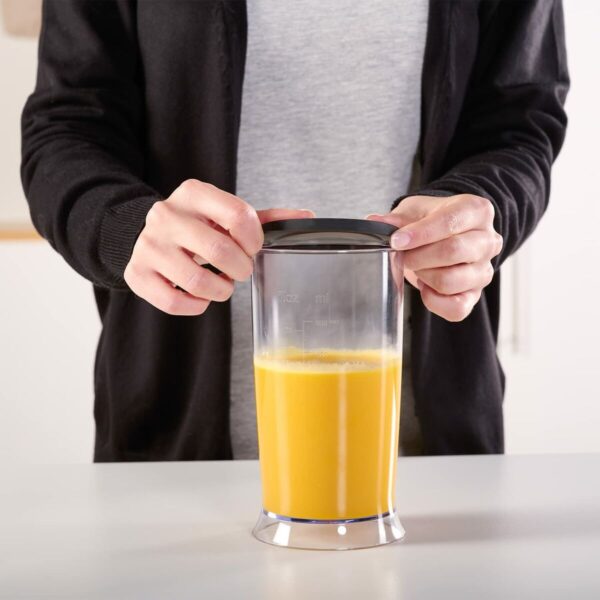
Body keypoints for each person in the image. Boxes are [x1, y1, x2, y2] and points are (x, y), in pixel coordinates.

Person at [21, 0, 568, 461]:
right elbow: (66, 125)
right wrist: (125, 226)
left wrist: (473, 213)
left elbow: (520, 122)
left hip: (430, 460)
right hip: (173, 452)